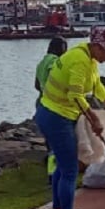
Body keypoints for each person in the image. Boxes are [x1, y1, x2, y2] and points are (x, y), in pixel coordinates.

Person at [35, 27, 105, 209]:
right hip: (56, 116)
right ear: (97, 46)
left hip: (56, 113)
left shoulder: (88, 56)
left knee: (62, 164)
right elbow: (76, 95)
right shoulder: (79, 60)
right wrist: (94, 119)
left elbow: (96, 84)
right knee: (70, 170)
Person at [34, 37, 68, 192]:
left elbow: (36, 85)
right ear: (60, 48)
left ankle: (52, 173)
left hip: (41, 104)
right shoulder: (55, 62)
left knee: (50, 143)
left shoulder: (42, 62)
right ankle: (54, 176)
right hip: (54, 106)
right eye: (65, 48)